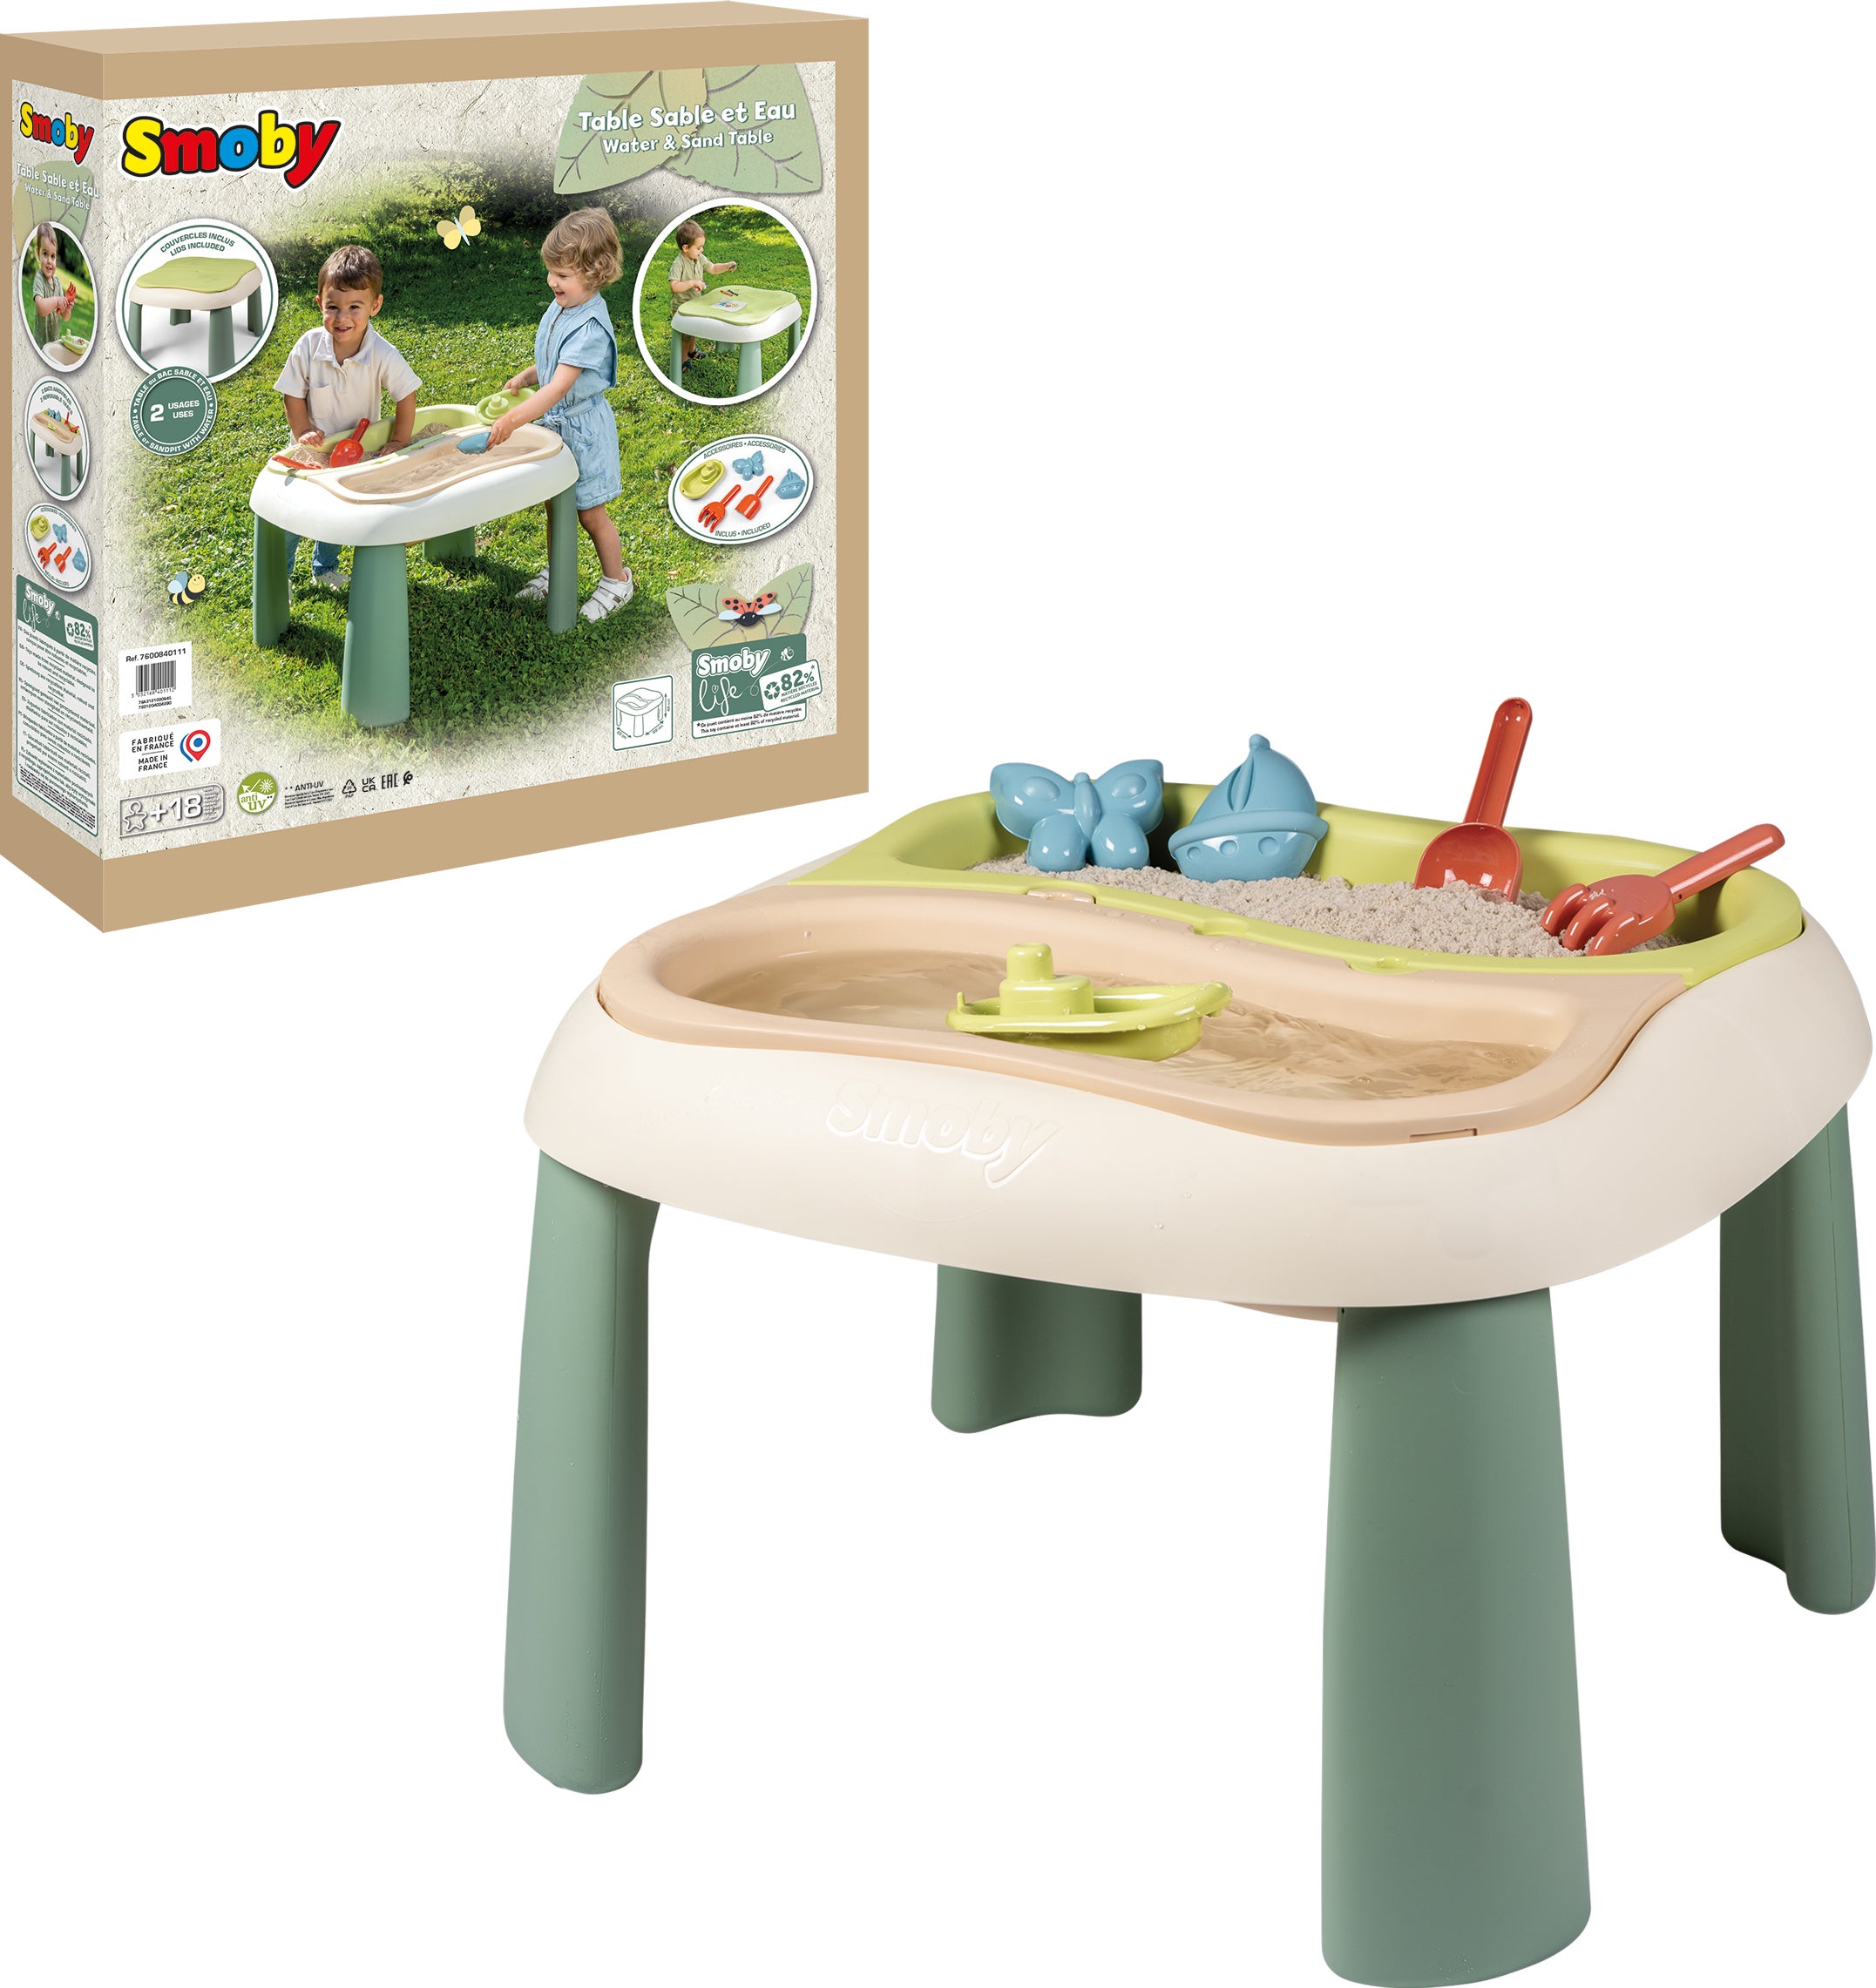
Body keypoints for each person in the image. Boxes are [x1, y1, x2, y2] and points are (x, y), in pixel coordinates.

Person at [493, 206, 633, 623]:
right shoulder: (563, 306)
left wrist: (512, 420)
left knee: (590, 512)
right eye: (551, 272)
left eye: (562, 275)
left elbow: (559, 388)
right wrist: (530, 373)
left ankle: (617, 581)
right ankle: (559, 570)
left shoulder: (590, 328)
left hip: (583, 430)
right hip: (558, 425)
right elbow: (557, 366)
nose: (552, 281)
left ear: (595, 274)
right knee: (557, 503)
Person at [273, 244, 420, 591]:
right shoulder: (308, 346)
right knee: (293, 513)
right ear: (319, 304)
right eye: (333, 307)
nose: (343, 318)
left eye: (355, 307)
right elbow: (292, 393)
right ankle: (279, 578)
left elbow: (406, 394)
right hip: (311, 451)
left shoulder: (382, 353)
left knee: (337, 509)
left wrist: (399, 440)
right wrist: (303, 430)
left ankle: (325, 567)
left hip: (355, 451)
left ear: (375, 306)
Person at [666, 216, 736, 369]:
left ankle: (691, 352)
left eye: (702, 247)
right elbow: (674, 286)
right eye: (698, 248)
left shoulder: (699, 258)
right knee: (685, 335)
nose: (701, 250)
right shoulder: (678, 264)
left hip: (694, 304)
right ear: (686, 248)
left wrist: (726, 265)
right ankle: (683, 361)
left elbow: (713, 268)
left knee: (693, 331)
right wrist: (692, 282)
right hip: (681, 307)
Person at [28, 224, 75, 351]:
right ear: (37, 252)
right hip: (40, 345)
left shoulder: (58, 283)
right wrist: (56, 301)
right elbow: (40, 308)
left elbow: (64, 317)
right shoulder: (39, 279)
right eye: (45, 254)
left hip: (53, 343)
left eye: (52, 256)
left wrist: (67, 308)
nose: (49, 261)